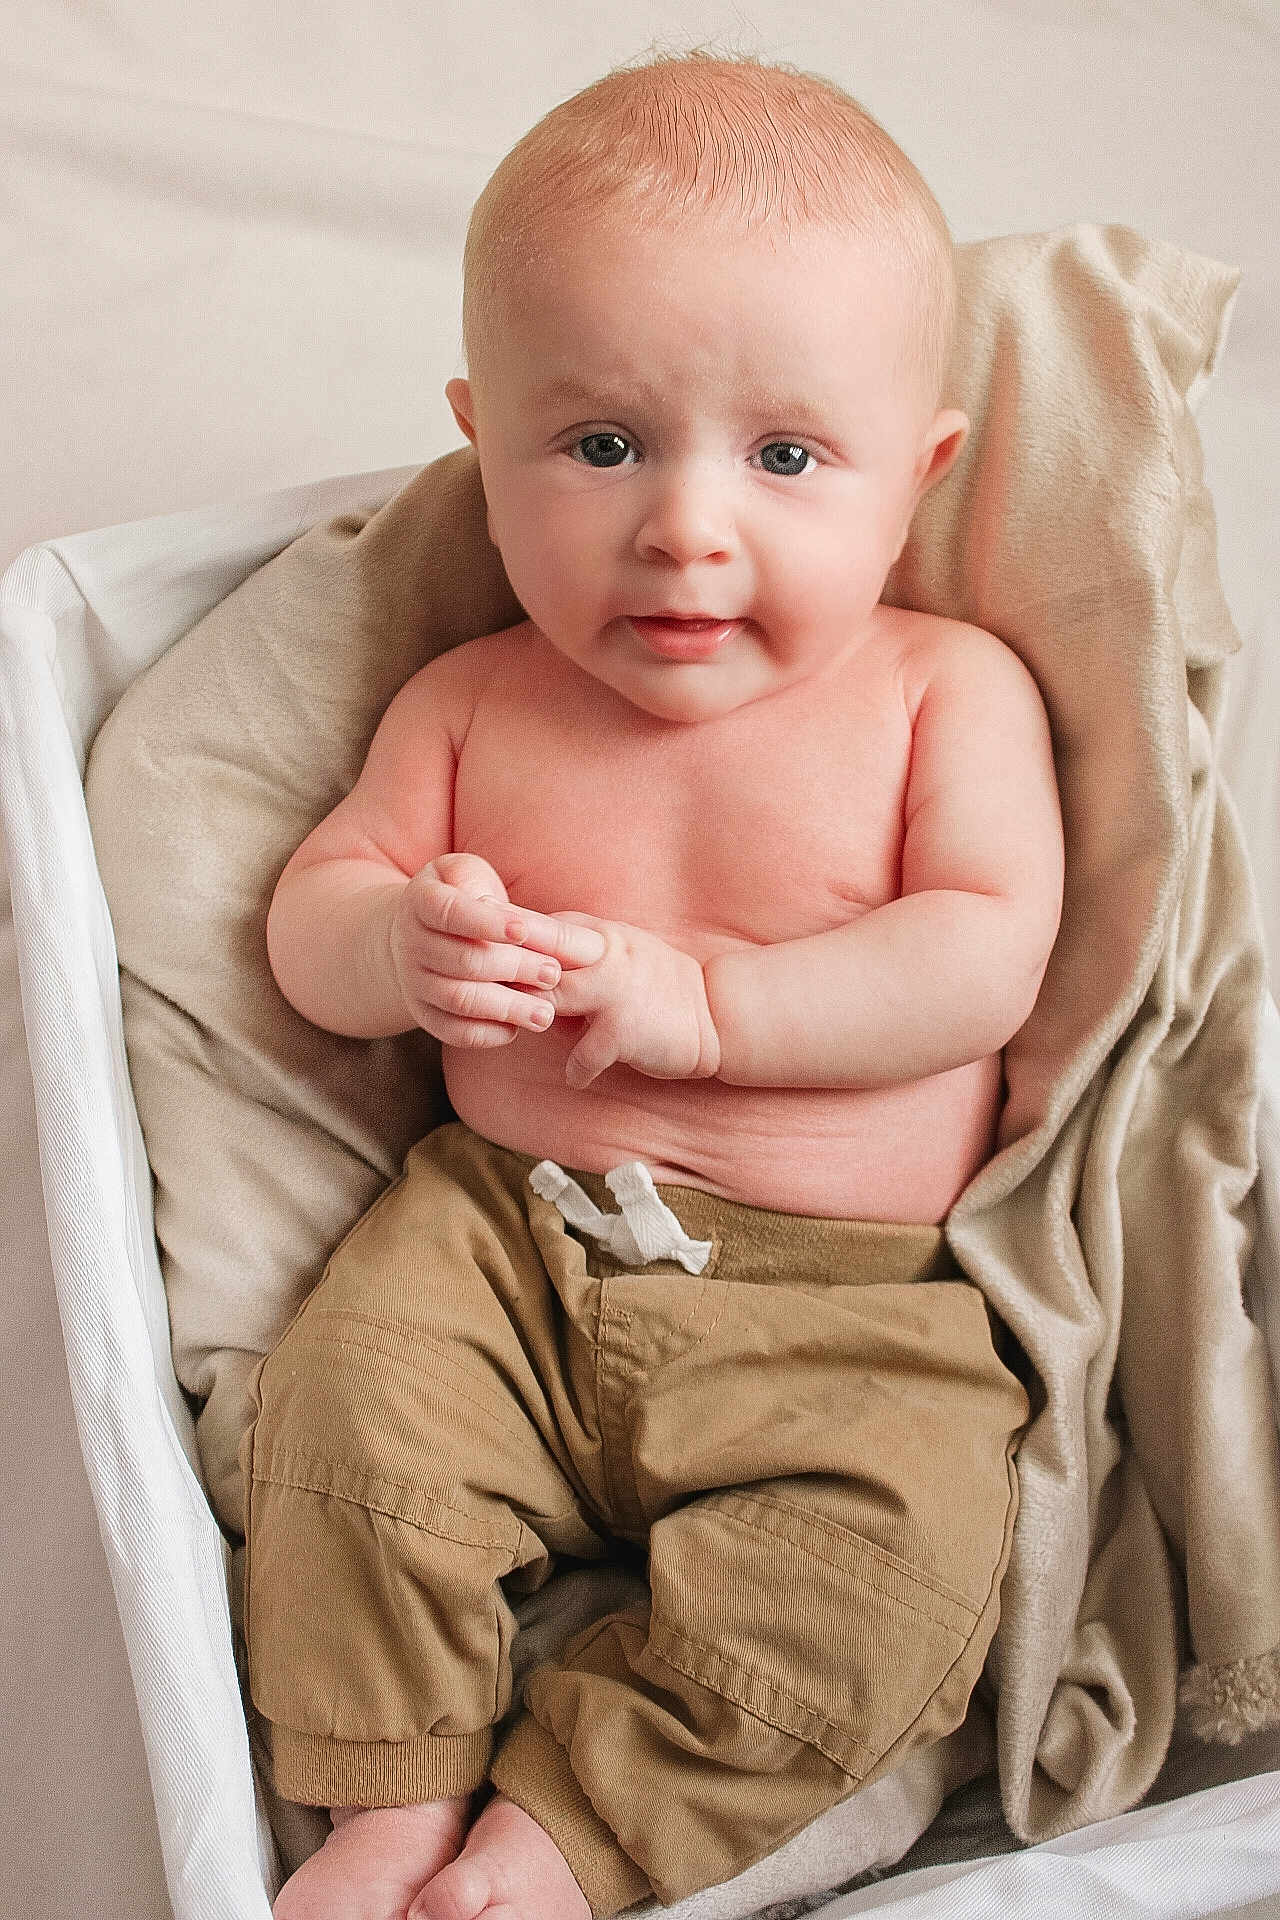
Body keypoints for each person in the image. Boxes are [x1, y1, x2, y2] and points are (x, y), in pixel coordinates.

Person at [242, 47, 1063, 1920]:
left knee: (898, 1567)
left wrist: (720, 1016)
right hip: (502, 1251)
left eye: (785, 457)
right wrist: (399, 946)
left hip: (846, 1314)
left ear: (915, 475)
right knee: (345, 1409)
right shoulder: (469, 701)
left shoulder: (943, 691)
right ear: (484, 440)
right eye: (602, 444)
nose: (687, 525)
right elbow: (317, 913)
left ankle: (559, 1842)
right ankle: (384, 1793)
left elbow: (982, 952)